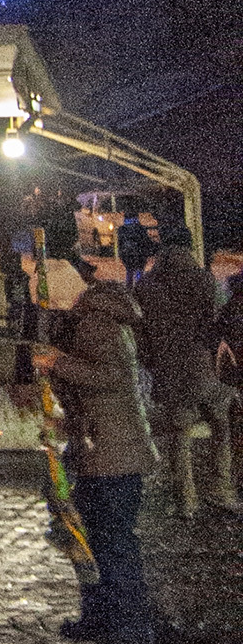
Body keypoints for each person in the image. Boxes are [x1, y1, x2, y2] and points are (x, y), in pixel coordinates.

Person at [33, 262, 160, 644]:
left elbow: (110, 377)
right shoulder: (85, 323)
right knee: (92, 541)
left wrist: (58, 362)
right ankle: (103, 616)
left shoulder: (98, 323)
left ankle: (132, 630)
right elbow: (85, 391)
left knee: (114, 541)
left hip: (115, 456)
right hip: (97, 451)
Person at [134, 220, 232, 517]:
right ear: (189, 247)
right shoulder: (204, 280)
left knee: (179, 436)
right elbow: (217, 321)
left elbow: (141, 335)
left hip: (168, 370)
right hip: (203, 366)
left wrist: (154, 362)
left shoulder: (146, 285)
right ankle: (221, 488)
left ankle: (185, 501)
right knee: (221, 424)